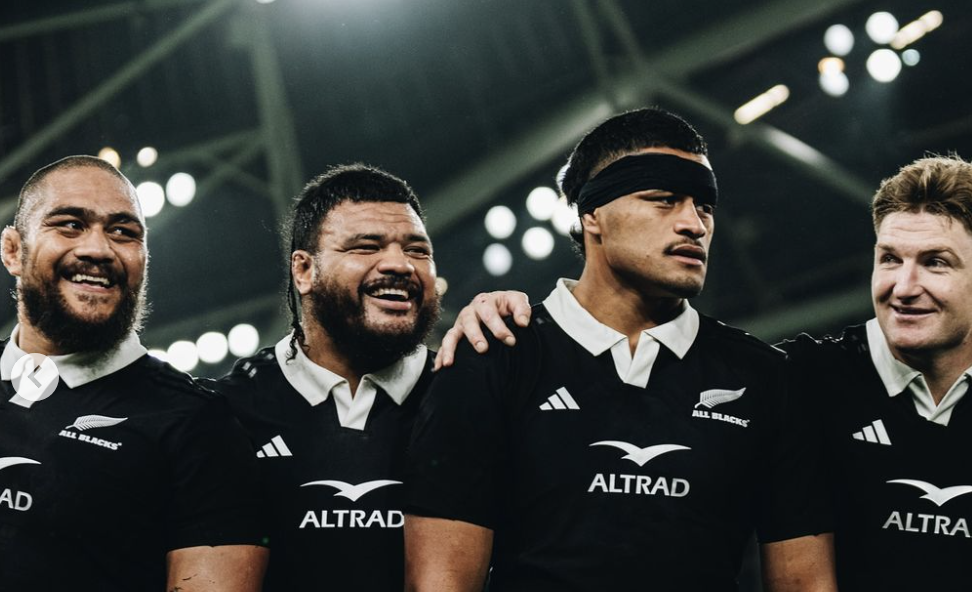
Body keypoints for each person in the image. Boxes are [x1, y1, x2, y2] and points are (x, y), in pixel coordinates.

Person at [446, 155, 972, 591]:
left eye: (936, 262)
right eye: (889, 259)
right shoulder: (801, 377)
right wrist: (502, 308)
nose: (903, 286)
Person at [404, 107, 836, 592]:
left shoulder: (763, 378)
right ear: (593, 215)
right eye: (664, 199)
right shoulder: (495, 356)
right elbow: (440, 584)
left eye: (705, 206)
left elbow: (805, 584)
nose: (694, 224)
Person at [0, 155, 266, 592]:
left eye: (123, 232)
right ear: (13, 250)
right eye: (69, 224)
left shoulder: (199, 423)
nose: (98, 249)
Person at [208, 164, 451, 591]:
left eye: (417, 250)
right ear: (304, 271)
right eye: (366, 246)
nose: (399, 264)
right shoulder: (223, 411)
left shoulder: (467, 394)